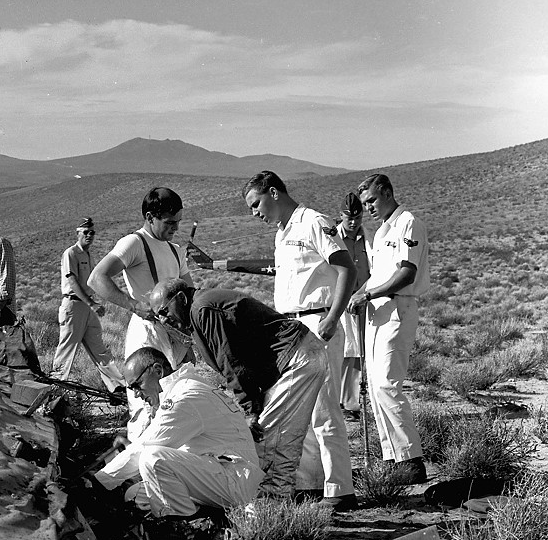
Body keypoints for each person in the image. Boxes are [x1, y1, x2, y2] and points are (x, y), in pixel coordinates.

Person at [149, 279, 329, 503]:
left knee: (271, 439)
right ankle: (289, 498)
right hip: (299, 355)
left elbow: (231, 362)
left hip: (296, 358)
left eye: (165, 311)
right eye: (159, 316)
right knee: (280, 436)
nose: (165, 320)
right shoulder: (198, 311)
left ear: (182, 299)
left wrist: (248, 410)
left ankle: (273, 507)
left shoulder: (202, 309)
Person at [242, 170, 355, 505]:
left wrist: (333, 318)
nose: (255, 213)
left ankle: (340, 490)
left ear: (274, 193)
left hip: (317, 321)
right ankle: (309, 486)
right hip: (291, 328)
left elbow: (346, 268)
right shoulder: (282, 232)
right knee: (299, 410)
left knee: (323, 409)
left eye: (256, 204)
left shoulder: (313, 222)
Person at [94, 347, 262, 518]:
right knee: (135, 495)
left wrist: (98, 481)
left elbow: (146, 446)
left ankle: (183, 520)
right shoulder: (185, 386)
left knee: (152, 458)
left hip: (236, 480)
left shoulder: (185, 396)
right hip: (219, 471)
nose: (137, 394)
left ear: (158, 370)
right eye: (131, 388)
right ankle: (204, 512)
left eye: (137, 385)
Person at [87, 187, 195, 437]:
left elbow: (189, 292)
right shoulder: (134, 243)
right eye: (169, 222)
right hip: (147, 334)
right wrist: (134, 305)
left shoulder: (175, 250)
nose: (175, 228)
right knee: (145, 403)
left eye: (178, 222)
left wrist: (188, 339)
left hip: (174, 336)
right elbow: (97, 278)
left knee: (176, 401)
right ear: (150, 217)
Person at [348, 173, 430, 485]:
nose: (368, 207)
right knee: (374, 386)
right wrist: (358, 293)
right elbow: (378, 274)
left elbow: (406, 274)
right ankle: (392, 459)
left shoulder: (408, 222)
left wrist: (368, 293)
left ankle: (410, 460)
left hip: (398, 307)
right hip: (376, 311)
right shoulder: (381, 231)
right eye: (365, 203)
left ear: (387, 192)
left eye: (372, 200)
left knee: (386, 384)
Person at [50, 218, 125, 392]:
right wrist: (92, 304)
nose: (89, 235)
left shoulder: (89, 255)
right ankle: (54, 390)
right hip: (74, 306)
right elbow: (73, 281)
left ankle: (118, 388)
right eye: (85, 232)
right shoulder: (71, 253)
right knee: (67, 350)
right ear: (78, 234)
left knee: (99, 348)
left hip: (87, 307)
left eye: (92, 232)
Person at [336, 193, 371, 421]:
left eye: (357, 217)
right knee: (346, 351)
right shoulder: (332, 237)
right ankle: (344, 402)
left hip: (365, 300)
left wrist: (362, 293)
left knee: (360, 351)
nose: (353, 222)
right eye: (349, 217)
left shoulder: (371, 238)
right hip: (340, 302)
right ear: (340, 215)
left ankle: (352, 401)